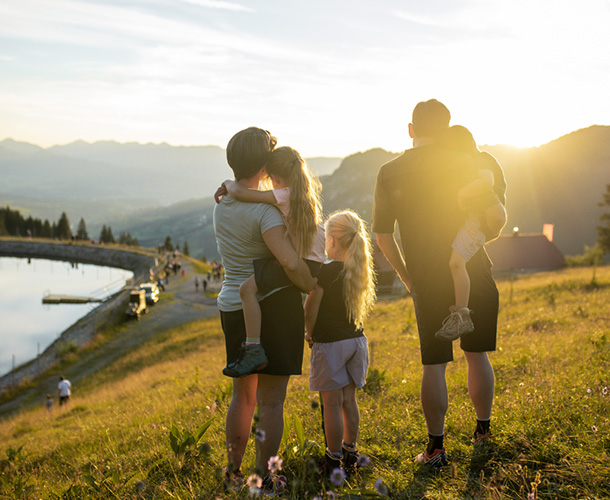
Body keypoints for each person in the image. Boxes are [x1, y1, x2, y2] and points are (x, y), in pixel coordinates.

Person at [372, 99, 503, 467]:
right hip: (472, 269)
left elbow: (383, 236)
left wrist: (409, 279)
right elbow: (494, 216)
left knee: (434, 364)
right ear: (446, 129)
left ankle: (436, 448)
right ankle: (483, 431)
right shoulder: (466, 162)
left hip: (427, 279)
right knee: (476, 354)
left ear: (411, 129)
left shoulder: (389, 171)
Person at [213, 127, 317, 492]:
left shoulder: (223, 203)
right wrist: (310, 282)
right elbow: (290, 263)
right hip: (271, 309)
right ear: (263, 164)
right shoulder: (267, 213)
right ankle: (264, 478)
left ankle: (233, 472)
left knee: (242, 396)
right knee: (271, 401)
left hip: (232, 305)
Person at [215, 146, 325, 377]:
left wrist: (228, 183)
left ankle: (253, 348)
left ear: (275, 177)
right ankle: (255, 347)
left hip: (302, 263)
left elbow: (245, 194)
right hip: (314, 261)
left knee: (246, 289)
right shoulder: (303, 194)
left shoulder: (282, 194)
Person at [304, 210, 376, 475]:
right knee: (349, 401)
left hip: (331, 344)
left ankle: (333, 461)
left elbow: (311, 306)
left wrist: (308, 333)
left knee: (331, 404)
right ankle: (350, 451)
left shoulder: (327, 270)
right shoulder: (358, 269)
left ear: (332, 240)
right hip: (356, 342)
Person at [435, 125, 507, 341]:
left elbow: (487, 181)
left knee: (456, 262)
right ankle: (461, 311)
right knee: (457, 261)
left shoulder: (481, 158)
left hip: (484, 218)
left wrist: (461, 195)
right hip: (484, 216)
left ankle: (462, 315)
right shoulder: (480, 158)